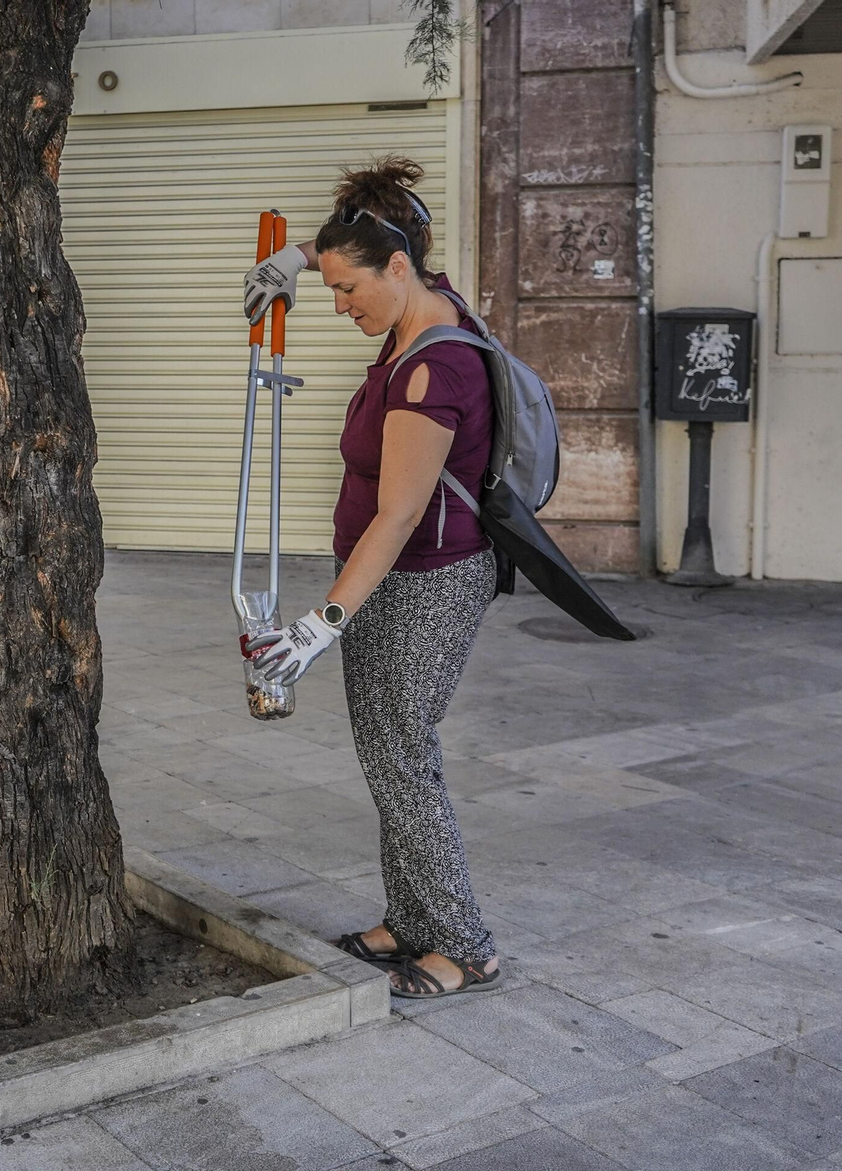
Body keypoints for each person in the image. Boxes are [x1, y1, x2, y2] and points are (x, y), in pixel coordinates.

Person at [240, 158, 501, 1000]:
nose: (341, 304)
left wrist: (322, 622)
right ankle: (411, 919)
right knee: (385, 748)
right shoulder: (424, 296)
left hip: (425, 579)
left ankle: (463, 946)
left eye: (349, 290)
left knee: (402, 756)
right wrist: (298, 260)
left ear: (397, 271)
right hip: (391, 576)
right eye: (332, 287)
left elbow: (396, 515)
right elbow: (361, 245)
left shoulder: (434, 369)